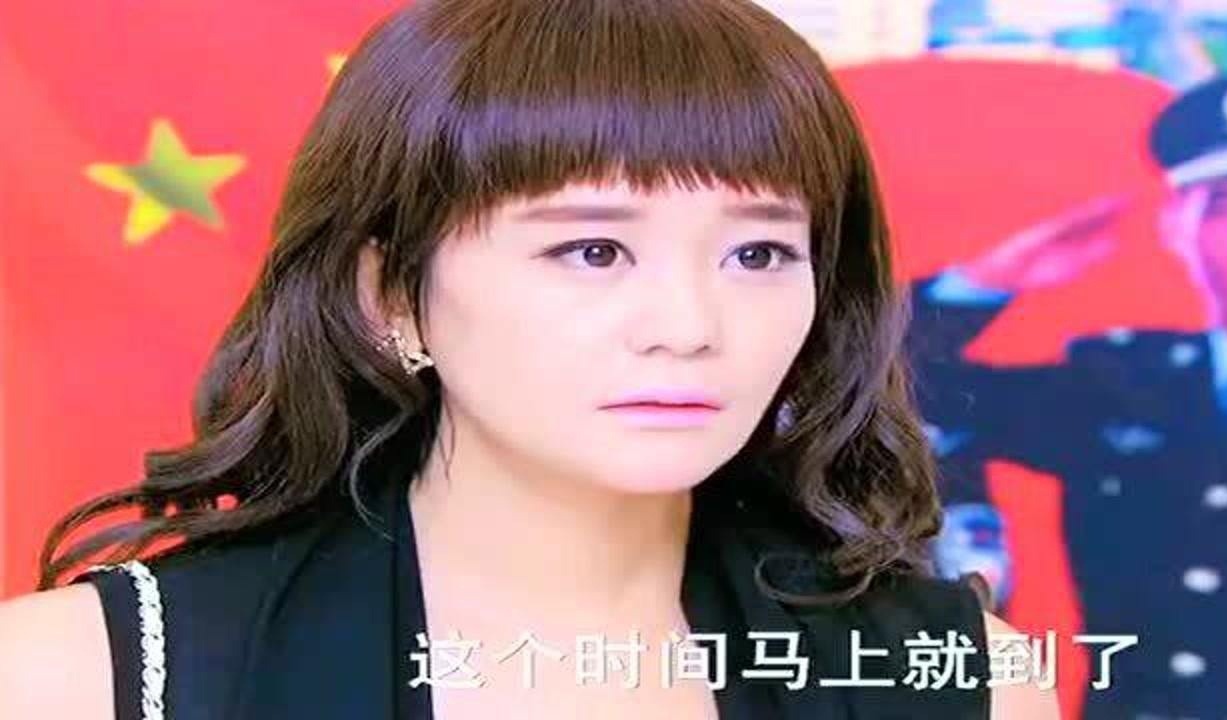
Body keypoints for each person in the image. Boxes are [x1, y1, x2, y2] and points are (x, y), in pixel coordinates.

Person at [0, 1, 1058, 718]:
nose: (688, 324)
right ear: (391, 295)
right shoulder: (84, 680)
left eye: (757, 253)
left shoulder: (964, 681)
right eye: (591, 250)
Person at [912, 70, 1227, 718]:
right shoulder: (1122, 379)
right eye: (1225, 207)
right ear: (1178, 228)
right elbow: (898, 393)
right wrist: (981, 283)